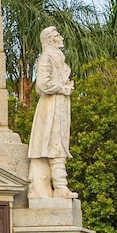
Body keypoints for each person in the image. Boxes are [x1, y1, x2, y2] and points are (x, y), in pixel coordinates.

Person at [28, 26, 77, 199]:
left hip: (60, 104)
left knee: (60, 144)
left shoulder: (58, 58)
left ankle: (61, 186)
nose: (61, 37)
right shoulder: (46, 58)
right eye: (57, 35)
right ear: (50, 40)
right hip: (51, 106)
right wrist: (62, 88)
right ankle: (60, 186)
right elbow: (42, 85)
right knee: (54, 144)